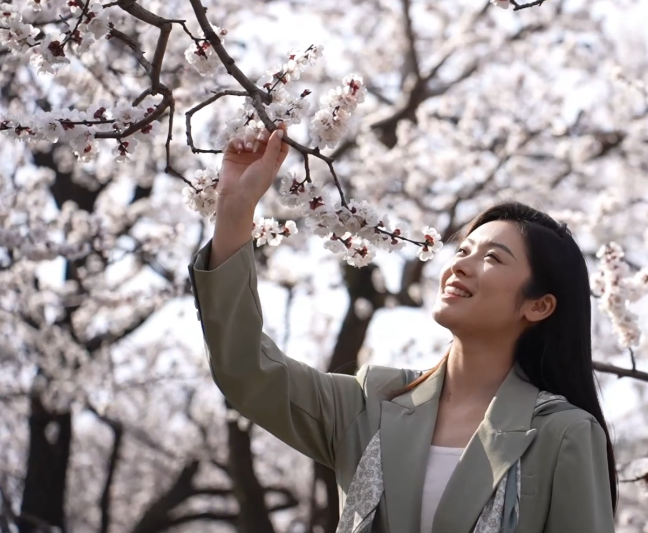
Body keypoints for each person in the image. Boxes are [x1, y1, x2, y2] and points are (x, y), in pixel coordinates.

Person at [187, 125, 617, 533]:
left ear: (538, 306)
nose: (460, 265)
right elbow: (244, 368)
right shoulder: (371, 403)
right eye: (463, 249)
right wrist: (235, 208)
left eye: (493, 258)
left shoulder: (562, 433)